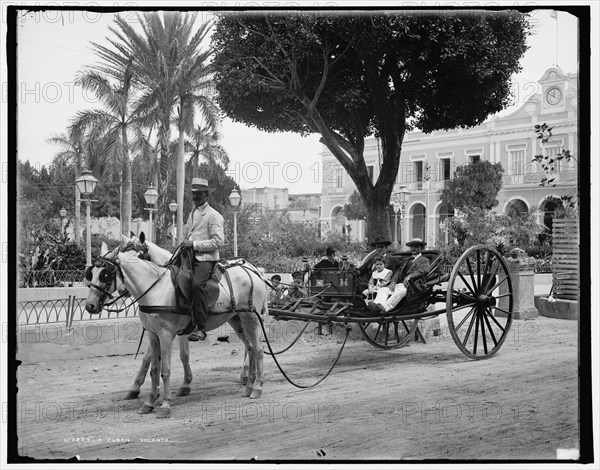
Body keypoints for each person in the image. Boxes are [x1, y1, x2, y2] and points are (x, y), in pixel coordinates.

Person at [181, 177, 225, 341]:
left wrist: (194, 244)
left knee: (197, 285)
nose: (195, 197)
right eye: (193, 194)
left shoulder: (214, 216)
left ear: (206, 195)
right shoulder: (193, 213)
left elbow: (218, 242)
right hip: (189, 255)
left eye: (198, 194)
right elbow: (188, 234)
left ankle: (200, 327)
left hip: (206, 259)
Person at [368, 238, 430, 314]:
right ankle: (377, 306)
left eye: (416, 246)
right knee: (383, 290)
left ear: (421, 248)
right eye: (412, 246)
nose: (413, 248)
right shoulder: (408, 260)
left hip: (411, 286)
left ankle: (384, 308)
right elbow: (398, 271)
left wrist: (410, 276)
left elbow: (425, 270)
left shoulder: (424, 260)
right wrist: (393, 282)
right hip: (399, 284)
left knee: (400, 291)